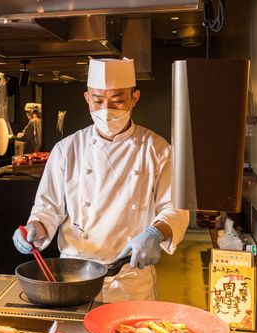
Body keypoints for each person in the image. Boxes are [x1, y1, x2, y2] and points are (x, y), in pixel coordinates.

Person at [12, 58, 189, 302]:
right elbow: (48, 207)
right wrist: (35, 227)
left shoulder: (158, 150)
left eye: (117, 100)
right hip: (74, 276)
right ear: (87, 98)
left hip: (130, 280)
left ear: (134, 98)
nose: (107, 109)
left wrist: (156, 233)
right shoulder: (67, 149)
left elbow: (175, 207)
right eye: (98, 100)